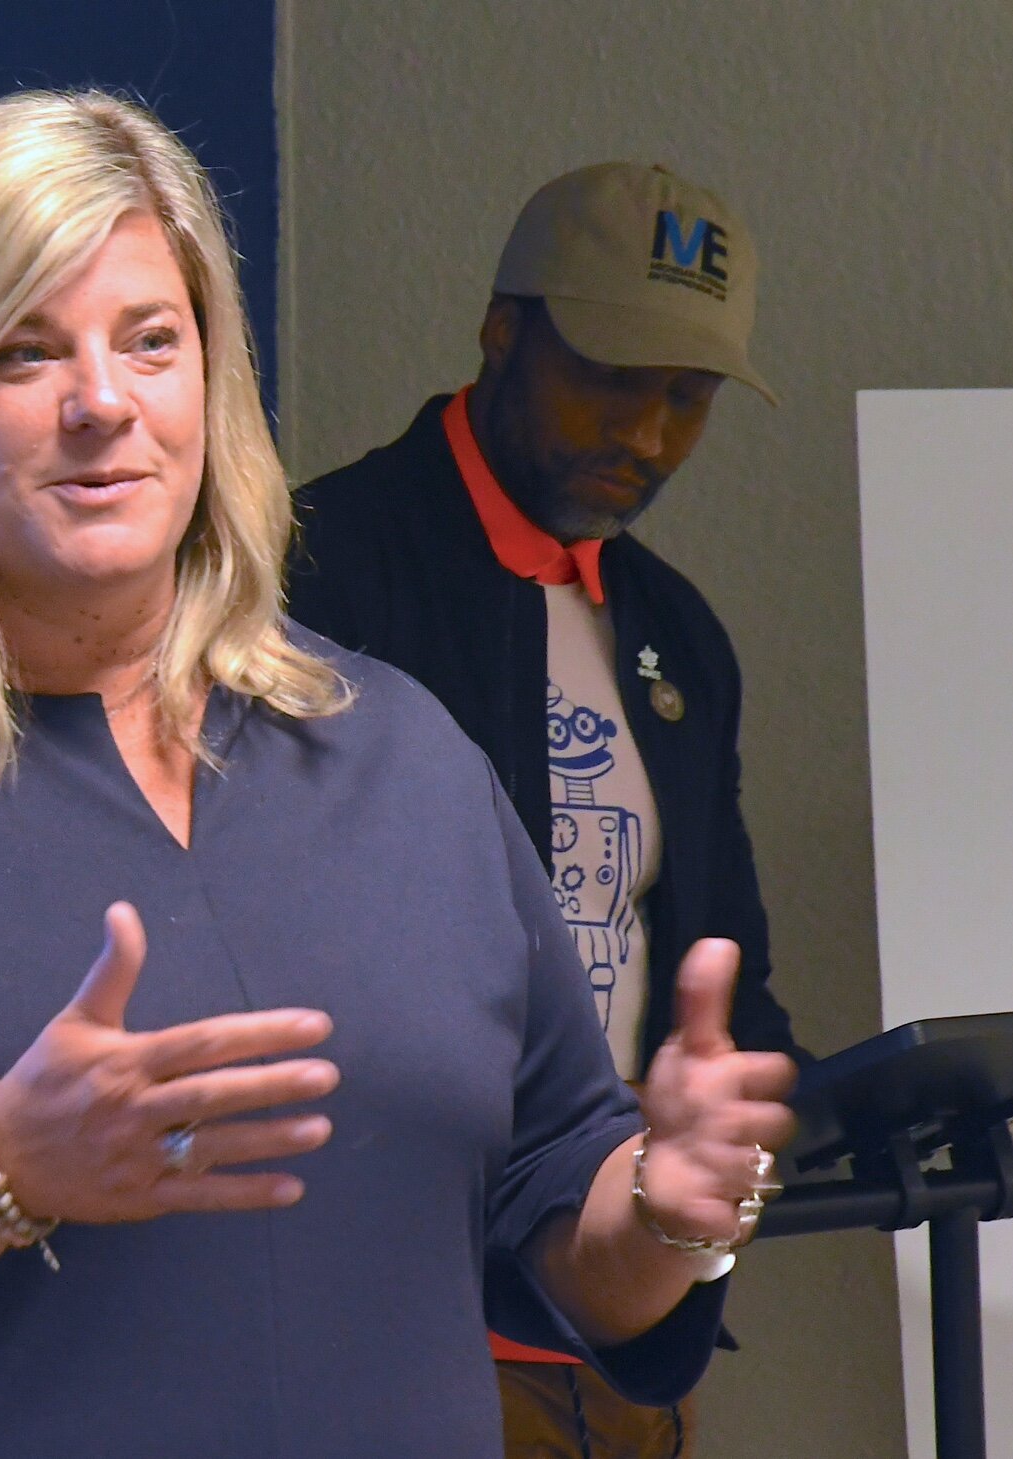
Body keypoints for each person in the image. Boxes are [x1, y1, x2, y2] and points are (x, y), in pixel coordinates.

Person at [0, 97, 796, 1459]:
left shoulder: (399, 754)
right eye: (24, 352)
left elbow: (560, 1195)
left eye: (151, 342)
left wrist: (670, 1202)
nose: (103, 403)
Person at [288, 162, 811, 1457]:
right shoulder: (315, 572)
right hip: (392, 1339)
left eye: (686, 398)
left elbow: (722, 960)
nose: (644, 435)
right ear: (503, 330)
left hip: (628, 1339)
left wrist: (756, 1117)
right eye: (612, 379)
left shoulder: (676, 637)